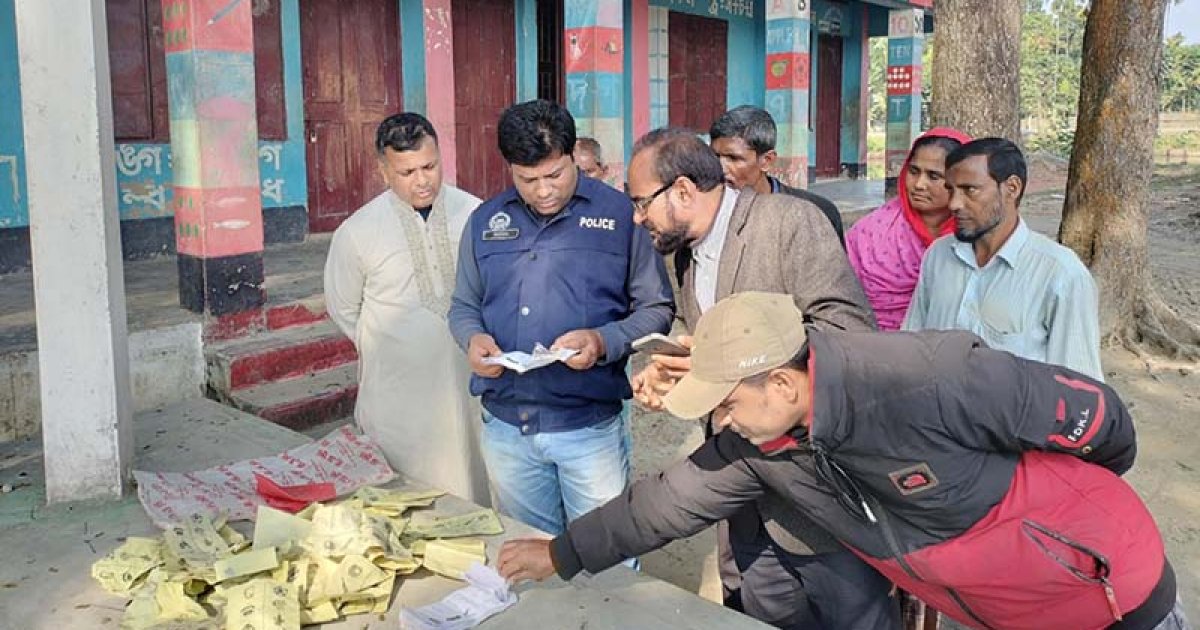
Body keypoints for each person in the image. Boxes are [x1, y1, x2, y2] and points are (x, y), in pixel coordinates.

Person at [498, 291, 1188, 630]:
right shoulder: (762, 439)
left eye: (728, 403)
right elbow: (668, 500)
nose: (722, 422)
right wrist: (561, 553)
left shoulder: (934, 377)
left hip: (1107, 588)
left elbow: (1103, 421)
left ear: (783, 381)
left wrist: (1069, 517)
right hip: (1004, 610)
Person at [626, 128, 890, 630]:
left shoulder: (790, 223)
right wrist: (671, 368)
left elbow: (847, 333)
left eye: (642, 203)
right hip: (742, 484)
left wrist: (731, 360)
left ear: (682, 191)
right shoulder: (681, 252)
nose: (639, 219)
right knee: (764, 612)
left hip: (816, 490)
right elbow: (700, 333)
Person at [447, 100, 675, 537]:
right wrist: (471, 338)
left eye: (555, 175)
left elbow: (658, 309)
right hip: (507, 428)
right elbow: (463, 305)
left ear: (574, 157)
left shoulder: (621, 216)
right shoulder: (485, 221)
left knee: (607, 552)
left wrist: (603, 340)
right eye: (527, 180)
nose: (543, 190)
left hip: (587, 429)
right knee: (532, 553)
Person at [324, 113, 489, 504]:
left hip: (466, 381)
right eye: (407, 171)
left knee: (474, 479)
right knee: (404, 496)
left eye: (430, 166)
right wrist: (398, 343)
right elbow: (343, 307)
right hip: (397, 391)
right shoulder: (357, 231)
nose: (422, 180)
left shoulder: (475, 214)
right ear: (383, 172)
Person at [903, 138, 1103, 380]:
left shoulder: (1060, 274)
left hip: (1013, 418)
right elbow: (912, 347)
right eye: (951, 190)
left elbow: (1079, 389)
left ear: (1012, 188)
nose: (954, 204)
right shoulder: (939, 255)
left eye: (969, 190)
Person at [845, 127, 971, 330]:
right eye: (914, 171)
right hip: (869, 344)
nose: (919, 184)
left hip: (952, 350)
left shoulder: (974, 236)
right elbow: (840, 297)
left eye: (934, 176)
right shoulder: (871, 231)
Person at [709, 105, 844, 243]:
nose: (720, 168)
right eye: (714, 156)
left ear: (766, 161)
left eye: (733, 158)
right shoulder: (705, 212)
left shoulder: (817, 213)